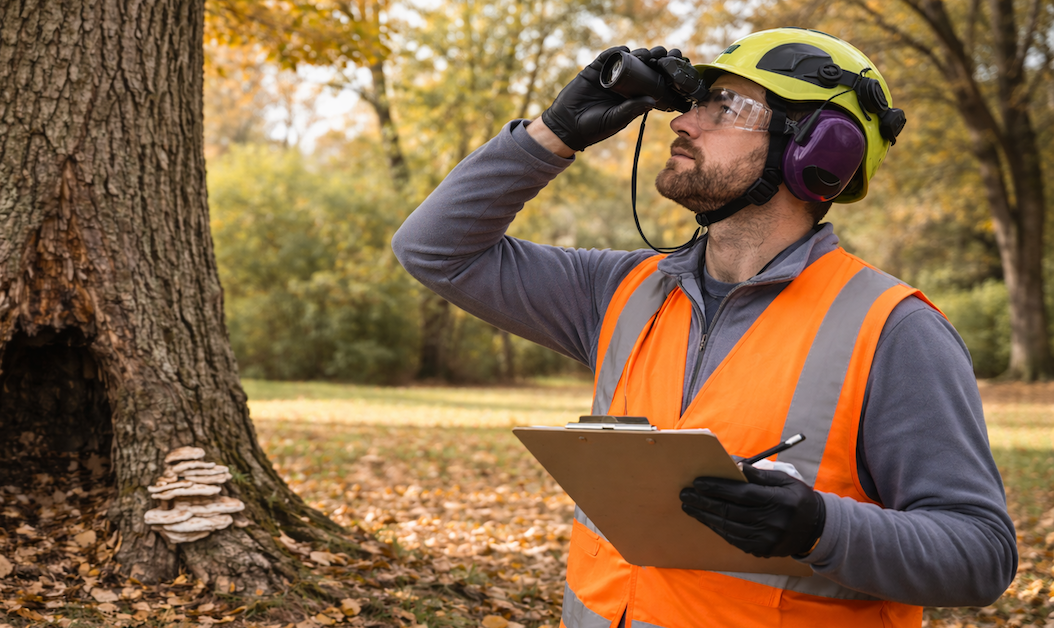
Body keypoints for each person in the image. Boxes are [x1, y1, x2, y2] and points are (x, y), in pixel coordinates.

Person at [391, 27, 1016, 627]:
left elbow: (980, 554)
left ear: (820, 150)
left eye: (727, 106)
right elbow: (436, 250)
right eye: (696, 103)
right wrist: (553, 133)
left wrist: (822, 527)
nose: (683, 122)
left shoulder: (892, 330)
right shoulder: (623, 291)